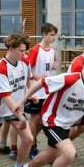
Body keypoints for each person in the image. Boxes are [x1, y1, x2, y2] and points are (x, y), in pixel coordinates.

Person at [0, 32, 38, 167]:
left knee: (28, 139)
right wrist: (21, 117)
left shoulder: (24, 61)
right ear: (11, 48)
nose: (24, 54)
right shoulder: (1, 68)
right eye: (21, 50)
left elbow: (28, 78)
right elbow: (6, 98)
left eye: (25, 50)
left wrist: (31, 93)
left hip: (15, 107)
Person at [25, 23, 58, 159]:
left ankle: (31, 141)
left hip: (47, 90)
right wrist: (39, 81)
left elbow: (50, 68)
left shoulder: (52, 50)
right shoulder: (35, 50)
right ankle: (32, 147)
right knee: (35, 118)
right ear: (44, 35)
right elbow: (28, 70)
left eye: (54, 35)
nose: (53, 37)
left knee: (42, 120)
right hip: (36, 90)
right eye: (51, 35)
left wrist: (55, 66)